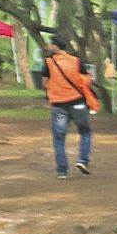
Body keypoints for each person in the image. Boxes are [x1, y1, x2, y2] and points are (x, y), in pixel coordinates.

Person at [39, 35, 97, 179]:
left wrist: (55, 88)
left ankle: (62, 171)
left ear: (55, 46)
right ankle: (82, 160)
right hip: (77, 102)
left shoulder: (49, 62)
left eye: (50, 44)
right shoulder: (76, 61)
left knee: (59, 138)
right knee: (85, 132)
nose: (48, 47)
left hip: (58, 104)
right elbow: (87, 79)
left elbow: (44, 84)